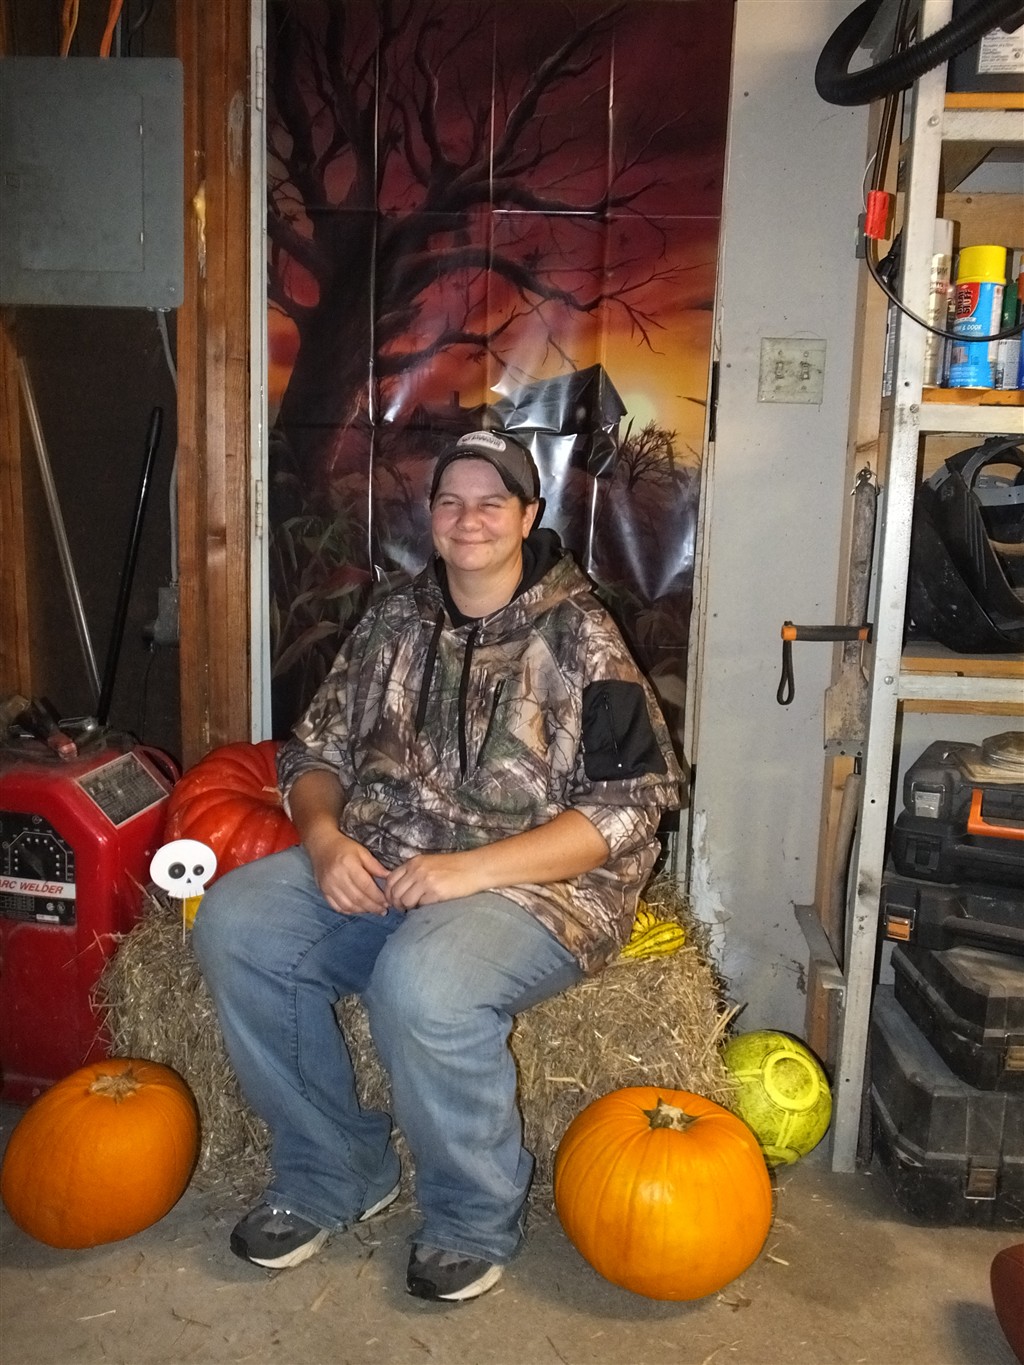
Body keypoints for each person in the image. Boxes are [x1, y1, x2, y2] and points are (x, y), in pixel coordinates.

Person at [192, 428, 683, 1303]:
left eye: (492, 501)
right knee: (238, 923)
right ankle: (334, 1168)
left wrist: (472, 871)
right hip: (390, 863)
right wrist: (324, 839)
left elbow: (628, 811)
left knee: (422, 985)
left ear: (528, 515)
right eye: (451, 501)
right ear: (432, 517)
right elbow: (313, 753)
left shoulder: (582, 635)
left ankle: (470, 1215)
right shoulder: (393, 619)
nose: (469, 518)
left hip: (543, 886)